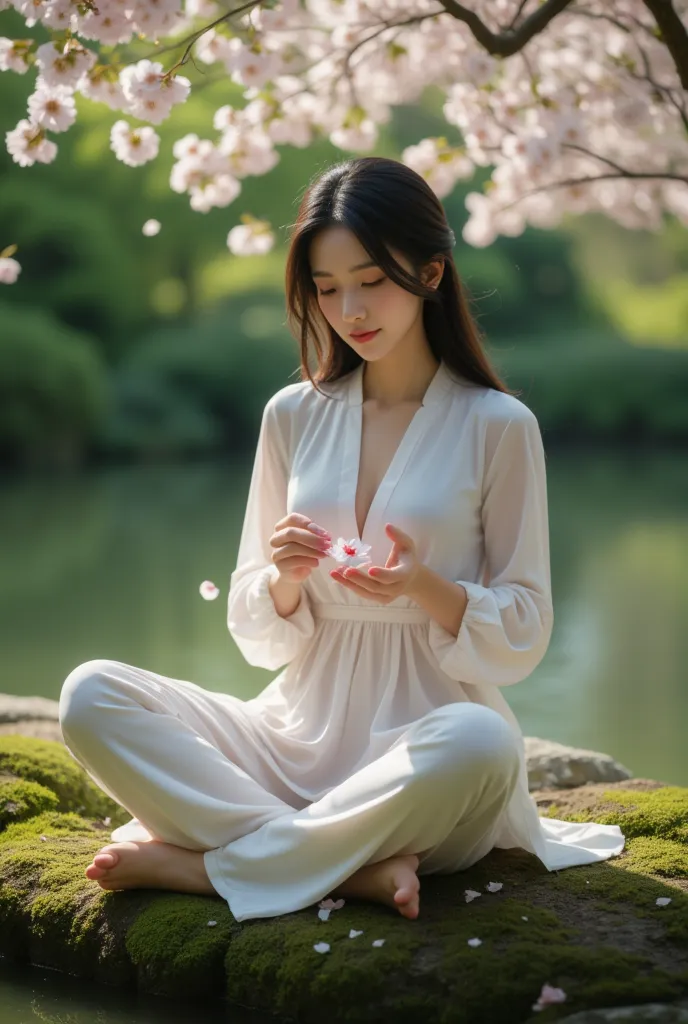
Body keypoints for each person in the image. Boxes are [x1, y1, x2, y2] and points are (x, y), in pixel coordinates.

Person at [58, 156, 625, 924]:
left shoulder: (499, 427)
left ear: (429, 271)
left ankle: (208, 867)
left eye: (371, 280)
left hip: (424, 757)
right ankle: (343, 868)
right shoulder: (291, 414)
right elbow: (255, 630)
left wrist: (423, 586)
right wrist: (286, 581)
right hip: (292, 733)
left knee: (484, 744)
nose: (350, 309)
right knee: (91, 693)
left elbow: (525, 630)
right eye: (327, 289)